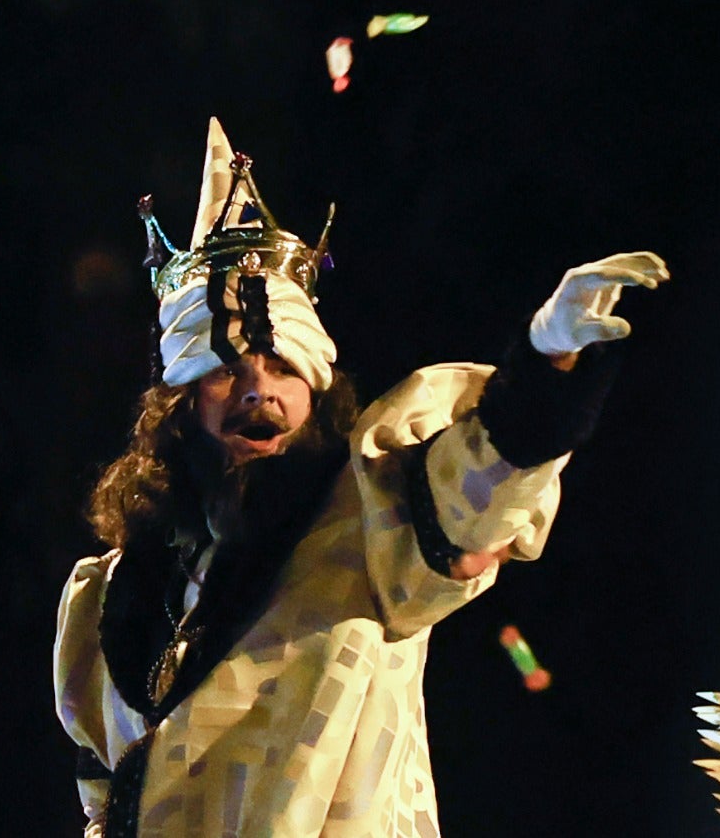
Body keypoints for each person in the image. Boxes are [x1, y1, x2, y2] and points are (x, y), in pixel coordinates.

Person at [53, 118, 668, 837]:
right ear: (179, 407)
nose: (260, 391)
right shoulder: (111, 597)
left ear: (317, 389)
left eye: (285, 367)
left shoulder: (373, 521)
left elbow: (479, 488)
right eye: (227, 371)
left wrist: (546, 368)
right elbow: (103, 792)